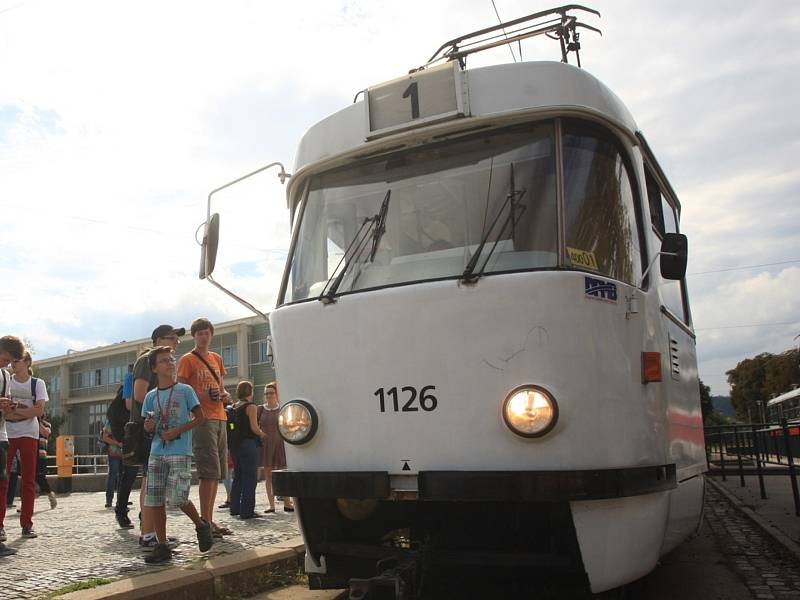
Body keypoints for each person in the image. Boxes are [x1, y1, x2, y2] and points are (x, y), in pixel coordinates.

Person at [141, 346, 213, 563]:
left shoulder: (185, 390)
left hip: (180, 451)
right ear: (154, 368)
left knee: (178, 497)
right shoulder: (151, 396)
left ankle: (201, 525)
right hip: (157, 451)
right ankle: (162, 546)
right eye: (164, 361)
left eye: (172, 359)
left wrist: (178, 431)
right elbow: (146, 426)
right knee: (153, 499)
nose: (170, 363)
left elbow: (200, 417)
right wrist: (149, 425)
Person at [123, 324, 184, 548]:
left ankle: (151, 533)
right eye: (172, 339)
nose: (176, 344)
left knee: (153, 482)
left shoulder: (161, 364)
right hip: (149, 430)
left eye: (177, 340)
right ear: (158, 340)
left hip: (156, 429)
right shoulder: (147, 360)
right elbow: (139, 395)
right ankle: (149, 535)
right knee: (152, 483)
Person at [177, 317, 232, 537]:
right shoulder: (187, 359)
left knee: (216, 473)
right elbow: (180, 389)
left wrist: (225, 395)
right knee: (208, 472)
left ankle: (209, 519)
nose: (203, 336)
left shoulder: (216, 358)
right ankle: (205, 522)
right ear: (194, 336)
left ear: (211, 335)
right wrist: (201, 395)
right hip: (202, 419)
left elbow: (221, 387)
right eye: (199, 333)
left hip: (220, 416)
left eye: (206, 333)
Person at [0, 350, 48, 539]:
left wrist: (17, 413)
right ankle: (1, 526)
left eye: (17, 360)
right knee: (4, 478)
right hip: (8, 432)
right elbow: (8, 412)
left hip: (29, 432)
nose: (13, 364)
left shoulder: (37, 384)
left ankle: (27, 523)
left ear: (27, 363)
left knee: (28, 479)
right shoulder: (6, 379)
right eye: (12, 360)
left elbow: (39, 410)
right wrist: (25, 412)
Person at [0, 335, 24, 556]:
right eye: (8, 358)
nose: (9, 363)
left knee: (2, 485)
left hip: (1, 435)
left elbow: (5, 410)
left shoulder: (6, 377)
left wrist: (8, 408)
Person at [228, 381, 266, 519]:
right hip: (248, 444)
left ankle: (234, 508)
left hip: (235, 446)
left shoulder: (233, 407)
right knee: (250, 477)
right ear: (250, 391)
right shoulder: (251, 407)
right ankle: (247, 511)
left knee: (238, 476)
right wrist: (263, 434)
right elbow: (254, 428)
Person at [259, 382, 293, 513]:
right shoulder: (260, 409)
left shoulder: (282, 408)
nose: (269, 395)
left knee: (284, 474)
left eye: (271, 393)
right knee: (268, 476)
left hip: (281, 444)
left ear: (276, 394)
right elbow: (254, 426)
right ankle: (271, 505)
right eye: (266, 393)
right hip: (266, 445)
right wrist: (261, 434)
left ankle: (287, 503)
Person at [102, 419, 122, 509]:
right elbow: (105, 437)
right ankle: (109, 500)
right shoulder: (111, 421)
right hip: (114, 452)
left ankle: (122, 499)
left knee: (123, 477)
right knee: (113, 475)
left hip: (125, 453)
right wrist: (117, 443)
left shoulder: (127, 418)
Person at [36, 419, 56, 509]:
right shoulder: (28, 422)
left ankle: (50, 494)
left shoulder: (46, 424)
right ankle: (25, 504)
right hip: (29, 454)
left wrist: (37, 421)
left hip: (41, 456)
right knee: (27, 478)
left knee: (40, 478)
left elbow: (46, 433)